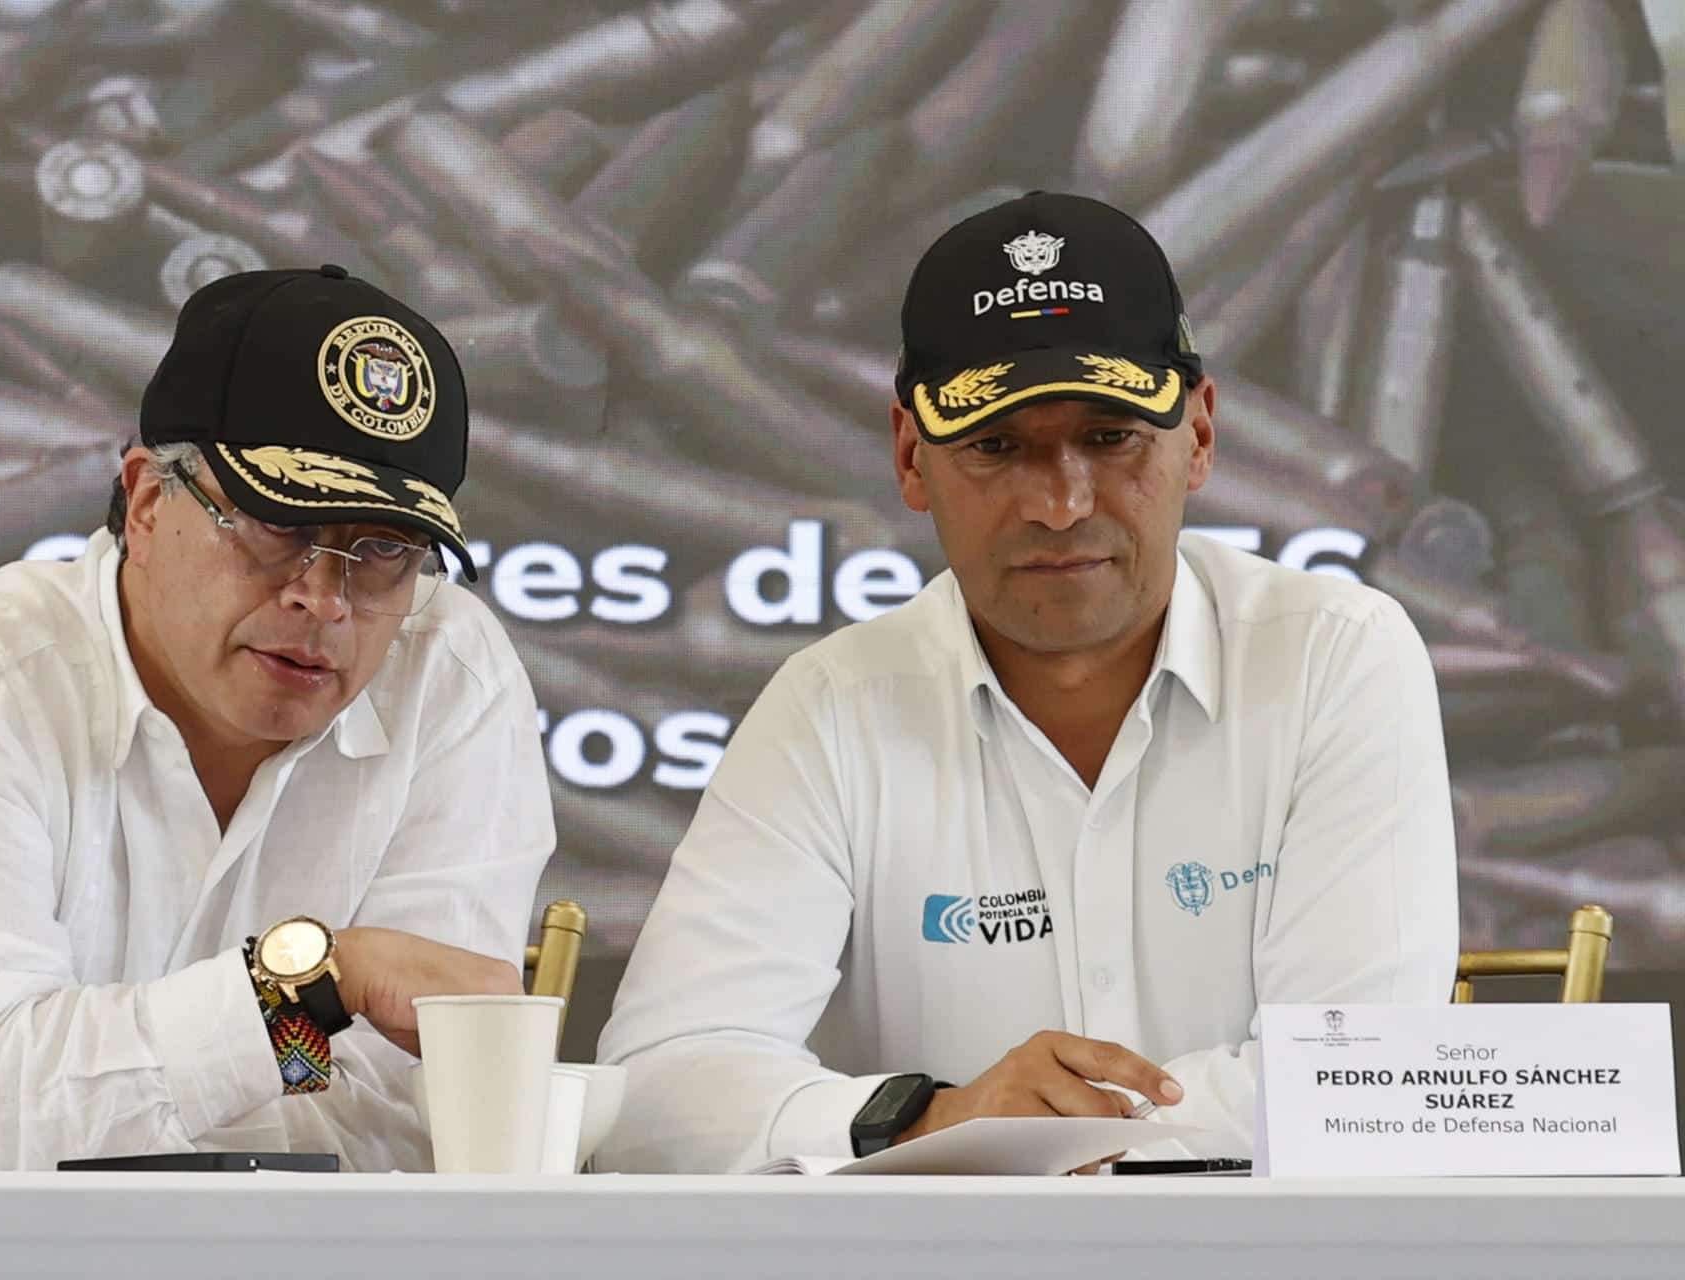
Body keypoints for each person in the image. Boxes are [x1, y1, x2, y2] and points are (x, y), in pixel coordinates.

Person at [595, 192, 1458, 1173]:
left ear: (1202, 434)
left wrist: (1029, 1132)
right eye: (997, 446)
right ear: (911, 456)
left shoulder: (1335, 654)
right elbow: (654, 1093)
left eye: (1110, 436)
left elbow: (1361, 1084)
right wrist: (924, 1120)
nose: (1061, 504)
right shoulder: (830, 705)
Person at [0, 265, 554, 1171]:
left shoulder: (449, 672)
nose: (323, 601)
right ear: (145, 502)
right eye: (279, 525)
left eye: (381, 552)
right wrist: (318, 984)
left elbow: (409, 1129)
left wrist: (94, 1098)